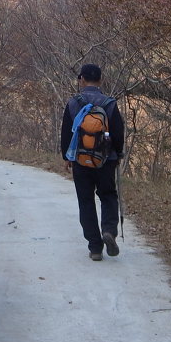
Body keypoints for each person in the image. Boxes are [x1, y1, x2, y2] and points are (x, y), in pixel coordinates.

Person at [60, 63, 125, 261]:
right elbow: (118, 133)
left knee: (86, 201)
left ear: (81, 80)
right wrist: (117, 154)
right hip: (105, 160)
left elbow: (66, 132)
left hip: (81, 161)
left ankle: (95, 248)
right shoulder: (110, 103)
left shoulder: (74, 103)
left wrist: (67, 157)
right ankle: (109, 230)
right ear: (101, 80)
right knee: (108, 196)